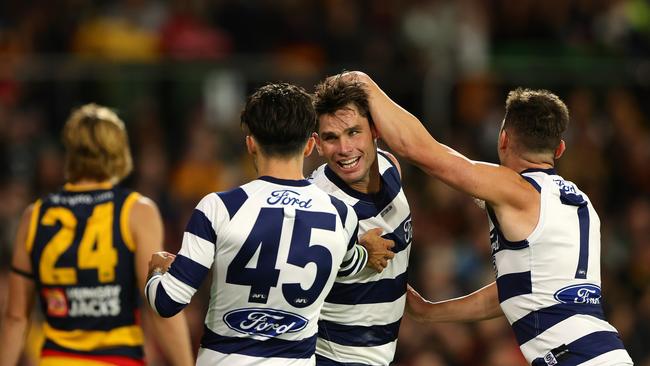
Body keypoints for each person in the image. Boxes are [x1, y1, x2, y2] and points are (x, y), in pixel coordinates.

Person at [345, 71, 634, 365]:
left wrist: (363, 83)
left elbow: (419, 150)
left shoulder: (518, 190)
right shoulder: (581, 204)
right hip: (608, 352)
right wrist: (430, 312)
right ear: (559, 149)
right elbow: (521, 290)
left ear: (503, 139)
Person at [143, 82, 395, 366]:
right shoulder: (341, 214)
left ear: (251, 143)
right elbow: (349, 264)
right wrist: (366, 250)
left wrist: (156, 272)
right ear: (311, 145)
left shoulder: (219, 207)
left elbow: (166, 302)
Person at [0, 104, 194, 366]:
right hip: (118, 359)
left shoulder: (34, 216)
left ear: (70, 151)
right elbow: (158, 306)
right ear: (119, 150)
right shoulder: (136, 211)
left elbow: (15, 317)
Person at [308, 75, 412, 365]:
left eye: (354, 132)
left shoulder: (390, 166)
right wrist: (353, 255)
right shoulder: (319, 205)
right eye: (331, 137)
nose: (344, 149)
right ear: (317, 144)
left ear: (375, 130)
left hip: (380, 353)